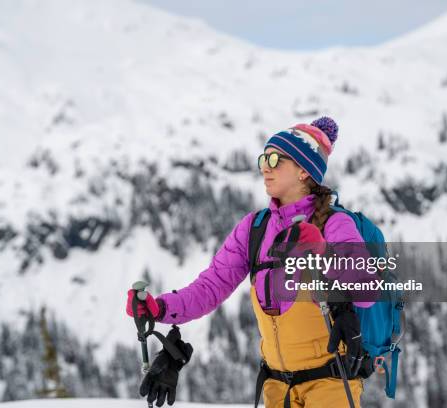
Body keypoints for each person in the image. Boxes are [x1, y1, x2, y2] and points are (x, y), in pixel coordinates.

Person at [127, 117, 378, 407]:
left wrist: (320, 250)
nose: (265, 167)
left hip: (330, 387)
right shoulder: (254, 228)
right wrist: (160, 307)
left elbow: (368, 289)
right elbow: (211, 286)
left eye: (274, 159)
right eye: (263, 159)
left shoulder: (335, 223)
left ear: (303, 171)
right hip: (276, 387)